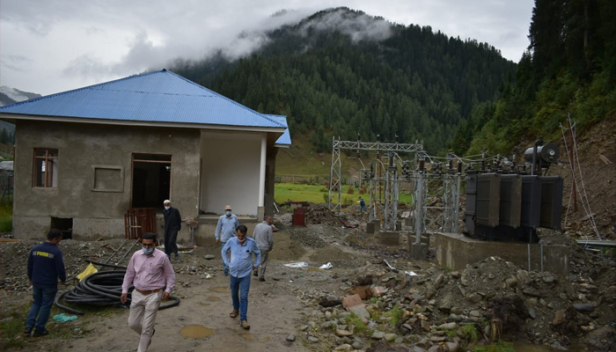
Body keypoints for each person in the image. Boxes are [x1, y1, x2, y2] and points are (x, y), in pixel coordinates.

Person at [121, 233, 176, 352]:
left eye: (149, 245)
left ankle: (142, 347)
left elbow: (170, 274)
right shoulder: (136, 255)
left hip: (154, 294)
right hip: (137, 293)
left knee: (146, 327)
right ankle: (148, 335)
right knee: (132, 323)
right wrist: (124, 290)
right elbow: (129, 273)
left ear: (155, 244)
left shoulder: (162, 257)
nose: (146, 248)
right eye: (144, 245)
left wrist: (168, 289)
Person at [25, 228, 66, 337]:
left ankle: (28, 327)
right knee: (46, 306)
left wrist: (30, 277)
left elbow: (30, 265)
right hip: (49, 283)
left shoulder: (35, 249)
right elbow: (60, 268)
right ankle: (40, 329)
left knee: (36, 303)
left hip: (36, 282)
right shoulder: (56, 252)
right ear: (55, 239)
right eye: (58, 240)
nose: (58, 243)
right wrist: (63, 279)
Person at [222, 225, 261, 330]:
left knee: (243, 296)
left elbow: (258, 253)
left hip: (245, 274)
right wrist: (227, 263)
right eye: (238, 235)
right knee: (234, 293)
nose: (240, 237)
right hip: (233, 273)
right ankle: (235, 309)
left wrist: (256, 264)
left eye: (242, 236)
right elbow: (224, 251)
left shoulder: (251, 243)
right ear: (236, 233)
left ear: (245, 234)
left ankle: (243, 319)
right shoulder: (231, 241)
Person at [215, 205, 240, 276]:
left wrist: (238, 237)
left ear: (231, 211)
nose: (228, 211)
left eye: (229, 210)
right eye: (227, 210)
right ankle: (226, 269)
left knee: (234, 255)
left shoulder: (234, 218)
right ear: (225, 211)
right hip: (224, 240)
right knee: (224, 255)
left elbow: (238, 228)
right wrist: (217, 237)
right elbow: (218, 228)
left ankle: (233, 269)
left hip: (233, 240)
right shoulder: (221, 218)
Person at [252, 216, 276, 282]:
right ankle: (261, 276)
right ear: (267, 219)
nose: (271, 220)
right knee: (264, 261)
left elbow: (253, 235)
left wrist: (253, 244)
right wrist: (271, 246)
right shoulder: (269, 228)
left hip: (257, 246)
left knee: (257, 258)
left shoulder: (257, 226)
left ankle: (256, 270)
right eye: (270, 219)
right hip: (264, 247)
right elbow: (270, 239)